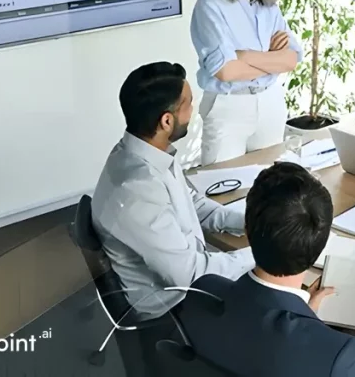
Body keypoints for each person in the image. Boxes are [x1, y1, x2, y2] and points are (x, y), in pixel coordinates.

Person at [180, 162, 355, 376]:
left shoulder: (200, 293)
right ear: (320, 244)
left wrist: (307, 316)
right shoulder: (337, 357)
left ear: (247, 231)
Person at [91, 62, 254, 320]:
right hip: (173, 307)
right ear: (167, 121)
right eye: (188, 103)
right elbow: (191, 275)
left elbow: (191, 204)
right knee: (278, 299)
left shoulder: (144, 152)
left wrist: (250, 222)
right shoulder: (137, 190)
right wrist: (265, 252)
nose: (194, 109)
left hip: (186, 275)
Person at [190, 0, 302, 166]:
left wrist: (243, 55)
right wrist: (271, 60)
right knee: (223, 185)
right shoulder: (210, 5)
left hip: (270, 102)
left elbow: (291, 60)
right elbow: (226, 71)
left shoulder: (269, 7)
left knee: (269, 186)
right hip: (228, 105)